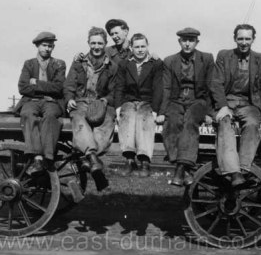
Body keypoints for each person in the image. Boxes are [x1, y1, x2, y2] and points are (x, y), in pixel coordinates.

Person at [210, 24, 261, 187]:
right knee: (224, 123)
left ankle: (243, 168)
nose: (243, 42)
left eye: (247, 39)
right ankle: (233, 173)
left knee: (252, 123)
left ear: (253, 39)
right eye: (240, 38)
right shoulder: (224, 55)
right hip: (226, 102)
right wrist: (222, 106)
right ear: (235, 39)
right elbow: (216, 83)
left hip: (248, 105)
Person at [157, 28, 214, 187]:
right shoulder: (170, 61)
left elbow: (210, 86)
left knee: (190, 121)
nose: (187, 44)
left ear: (197, 42)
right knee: (171, 123)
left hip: (197, 100)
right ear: (179, 41)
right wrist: (162, 112)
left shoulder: (207, 59)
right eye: (184, 40)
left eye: (191, 40)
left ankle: (180, 168)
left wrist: (210, 113)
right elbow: (167, 88)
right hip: (176, 99)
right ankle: (184, 170)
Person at [64, 26, 117, 192]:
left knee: (106, 123)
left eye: (100, 43)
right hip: (80, 101)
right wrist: (69, 99)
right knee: (79, 121)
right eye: (93, 43)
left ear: (105, 44)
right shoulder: (79, 62)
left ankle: (88, 159)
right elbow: (69, 84)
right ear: (88, 43)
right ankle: (93, 160)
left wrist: (106, 100)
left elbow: (115, 90)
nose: (96, 47)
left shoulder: (112, 66)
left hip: (100, 103)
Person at [15, 31, 66, 172]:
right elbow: (23, 87)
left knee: (50, 116)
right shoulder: (29, 64)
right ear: (37, 46)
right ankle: (37, 158)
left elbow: (58, 87)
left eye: (50, 46)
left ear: (53, 47)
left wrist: (36, 83)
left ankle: (48, 157)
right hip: (31, 100)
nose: (47, 49)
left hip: (52, 102)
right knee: (27, 114)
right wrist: (46, 87)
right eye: (44, 45)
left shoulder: (59, 64)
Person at [115, 33, 163, 177]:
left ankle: (144, 161)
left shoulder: (155, 64)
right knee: (127, 117)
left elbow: (158, 88)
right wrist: (118, 107)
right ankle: (129, 159)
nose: (140, 50)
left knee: (145, 119)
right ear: (131, 48)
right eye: (137, 47)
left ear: (147, 46)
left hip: (147, 102)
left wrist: (155, 110)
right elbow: (119, 87)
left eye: (143, 46)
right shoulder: (124, 64)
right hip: (129, 101)